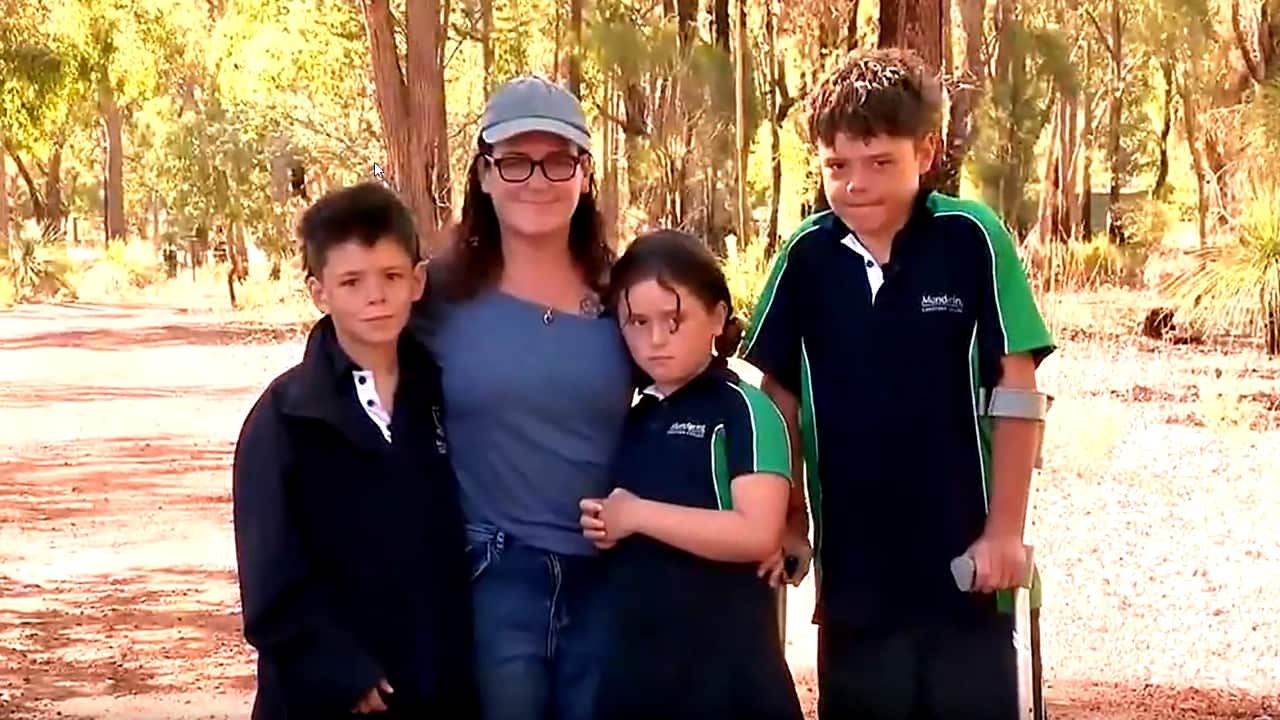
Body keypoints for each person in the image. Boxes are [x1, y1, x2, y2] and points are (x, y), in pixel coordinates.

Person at [743, 48, 1056, 720]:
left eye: (881, 162)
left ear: (927, 151)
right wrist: (789, 519)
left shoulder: (971, 239)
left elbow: (1018, 388)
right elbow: (777, 398)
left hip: (967, 576)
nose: (857, 184)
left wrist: (1005, 532)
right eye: (837, 166)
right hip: (854, 585)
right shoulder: (806, 256)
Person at [411, 76, 634, 720]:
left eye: (558, 160)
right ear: (484, 175)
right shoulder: (435, 297)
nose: (537, 179)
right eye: (514, 161)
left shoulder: (626, 295)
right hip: (490, 577)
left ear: (584, 174)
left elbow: (698, 400)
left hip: (607, 576)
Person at [232, 183, 474, 719]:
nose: (375, 296)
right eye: (351, 281)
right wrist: (338, 670)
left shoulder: (442, 398)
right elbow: (270, 575)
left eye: (391, 276)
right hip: (323, 698)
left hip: (434, 686)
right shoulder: (285, 417)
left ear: (418, 282)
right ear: (319, 292)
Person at [579, 230, 804, 720]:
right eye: (638, 322)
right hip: (638, 675)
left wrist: (636, 515)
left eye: (674, 320)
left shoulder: (744, 410)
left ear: (717, 318)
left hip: (728, 676)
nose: (656, 340)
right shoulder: (633, 416)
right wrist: (607, 524)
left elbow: (757, 533)